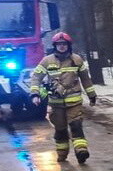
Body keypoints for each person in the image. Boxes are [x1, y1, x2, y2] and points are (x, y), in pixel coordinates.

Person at [29, 32, 97, 163]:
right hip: (56, 104)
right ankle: (62, 154)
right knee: (60, 130)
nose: (62, 47)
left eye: (64, 44)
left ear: (68, 45)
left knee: (76, 126)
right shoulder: (47, 61)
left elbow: (85, 79)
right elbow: (36, 77)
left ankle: (81, 152)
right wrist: (35, 94)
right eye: (59, 44)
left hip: (74, 103)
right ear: (55, 46)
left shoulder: (76, 60)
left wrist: (92, 95)